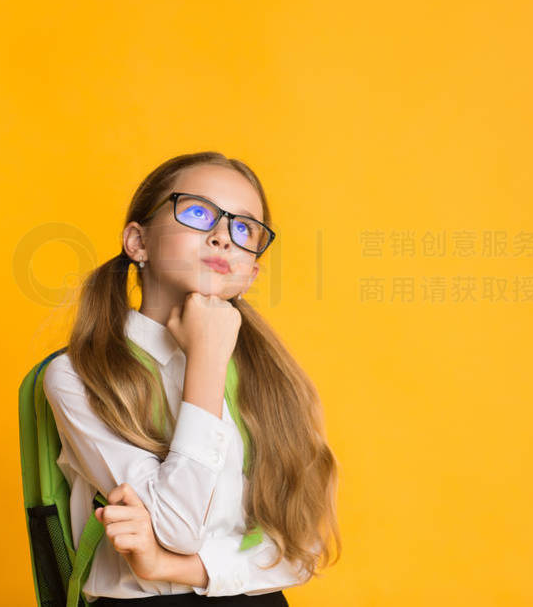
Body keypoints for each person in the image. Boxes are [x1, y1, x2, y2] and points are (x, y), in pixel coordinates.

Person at [42, 152, 341, 605]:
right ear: (138, 242)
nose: (223, 236)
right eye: (198, 213)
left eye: (244, 229)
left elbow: (301, 549)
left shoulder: (273, 380)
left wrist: (174, 568)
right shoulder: (80, 375)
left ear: (250, 272)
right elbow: (176, 528)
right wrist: (206, 360)